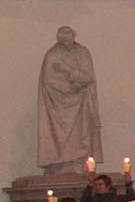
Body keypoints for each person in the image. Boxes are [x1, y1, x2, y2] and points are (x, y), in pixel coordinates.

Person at [37, 26, 103, 173]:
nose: (67, 44)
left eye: (69, 40)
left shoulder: (83, 52)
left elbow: (89, 77)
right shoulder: (52, 55)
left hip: (80, 103)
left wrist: (69, 72)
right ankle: (59, 163)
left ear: (73, 37)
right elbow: (47, 80)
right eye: (63, 41)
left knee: (80, 134)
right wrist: (67, 88)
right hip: (57, 104)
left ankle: (79, 161)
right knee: (58, 136)